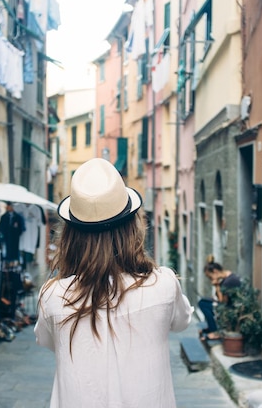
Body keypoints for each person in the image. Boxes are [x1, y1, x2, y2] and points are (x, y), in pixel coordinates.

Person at [34, 158, 193, 408]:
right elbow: (182, 321)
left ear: (71, 235)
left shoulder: (52, 295)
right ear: (132, 227)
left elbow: (47, 340)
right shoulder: (163, 284)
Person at [197, 255, 241, 341]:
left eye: (210, 277)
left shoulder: (228, 281)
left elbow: (222, 301)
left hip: (229, 308)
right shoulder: (227, 277)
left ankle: (215, 331)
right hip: (227, 305)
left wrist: (216, 285)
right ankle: (211, 328)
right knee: (203, 301)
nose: (211, 280)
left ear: (215, 271)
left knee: (203, 304)